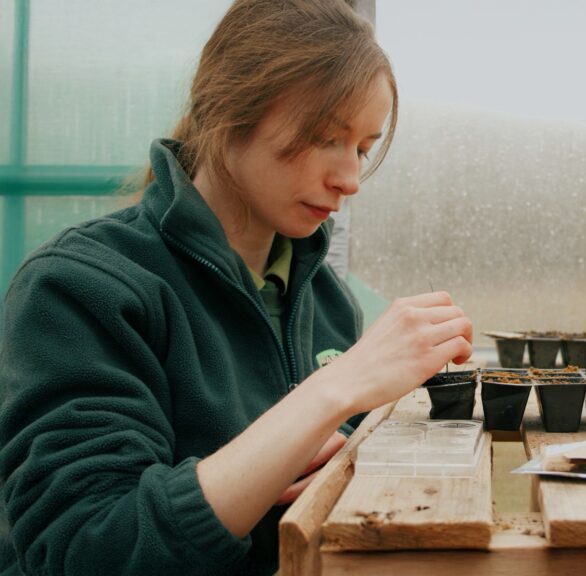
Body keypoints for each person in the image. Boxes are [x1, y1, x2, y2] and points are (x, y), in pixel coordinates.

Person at [0, 1, 473, 574]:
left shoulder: (323, 298)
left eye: (364, 149)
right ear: (228, 113)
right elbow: (88, 545)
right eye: (326, 137)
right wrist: (332, 391)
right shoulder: (80, 287)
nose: (349, 179)